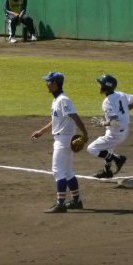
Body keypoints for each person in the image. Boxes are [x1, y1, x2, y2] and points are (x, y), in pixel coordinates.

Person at [31, 72, 89, 213]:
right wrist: (41, 131)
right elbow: (56, 120)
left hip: (63, 139)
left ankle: (61, 204)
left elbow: (74, 116)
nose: (46, 84)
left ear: (55, 84)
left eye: (49, 82)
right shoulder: (57, 100)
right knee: (68, 171)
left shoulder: (63, 100)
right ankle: (76, 201)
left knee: (58, 171)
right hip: (63, 138)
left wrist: (85, 133)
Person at [88, 74, 133, 178]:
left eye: (100, 84)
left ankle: (118, 159)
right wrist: (123, 113)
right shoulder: (121, 94)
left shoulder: (107, 101)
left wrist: (102, 123)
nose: (98, 86)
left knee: (92, 149)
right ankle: (107, 171)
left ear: (105, 87)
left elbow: (113, 120)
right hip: (123, 130)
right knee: (107, 150)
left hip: (115, 133)